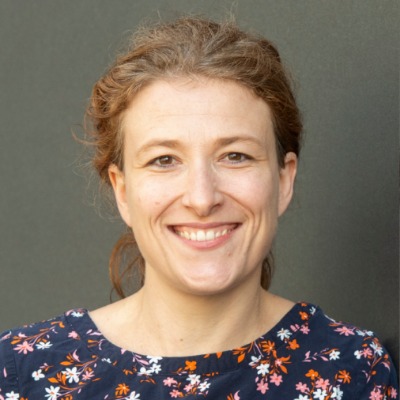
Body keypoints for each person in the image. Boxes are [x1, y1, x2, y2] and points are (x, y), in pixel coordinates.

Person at [0, 16, 397, 400]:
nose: (202, 198)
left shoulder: (352, 370)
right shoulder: (21, 373)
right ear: (122, 190)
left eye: (235, 156)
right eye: (164, 160)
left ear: (283, 180)